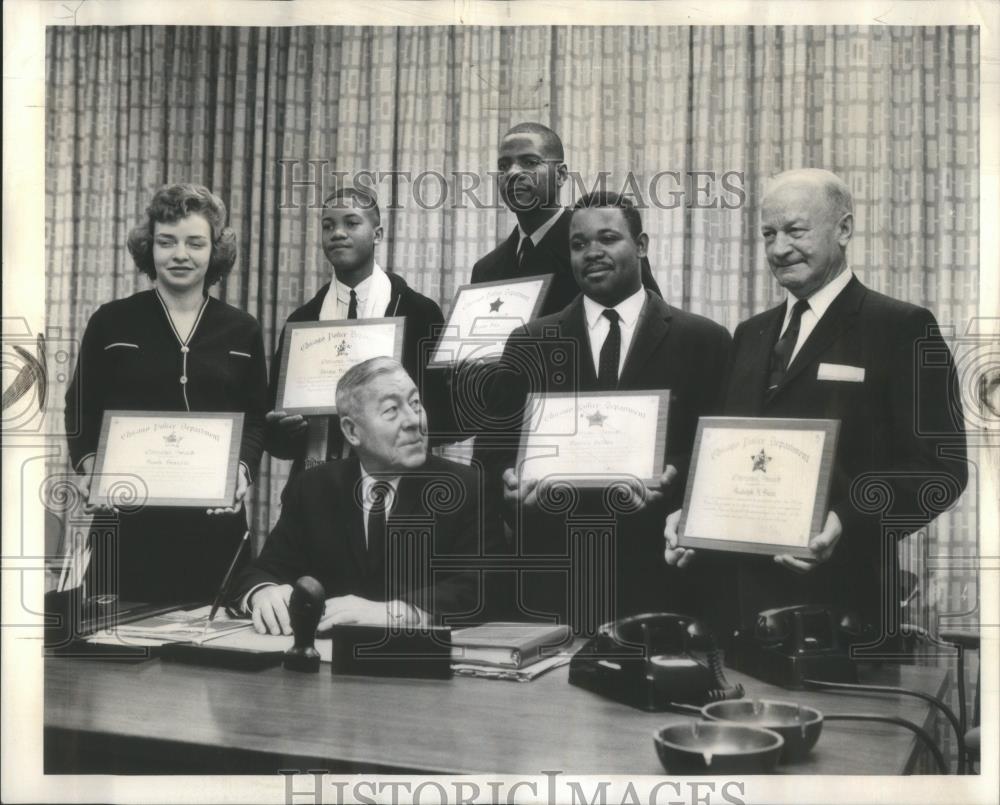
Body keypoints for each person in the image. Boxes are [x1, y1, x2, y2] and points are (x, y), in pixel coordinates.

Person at [664, 168, 968, 643]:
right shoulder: (749, 335)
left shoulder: (901, 327)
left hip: (844, 608)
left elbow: (940, 470)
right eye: (768, 234)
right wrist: (689, 513)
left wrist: (846, 522)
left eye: (795, 231)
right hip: (734, 610)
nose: (779, 248)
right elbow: (728, 456)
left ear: (843, 229)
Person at [474, 192, 732, 634]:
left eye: (608, 238)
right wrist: (509, 486)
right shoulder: (529, 342)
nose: (592, 253)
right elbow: (491, 457)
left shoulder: (704, 340)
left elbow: (723, 457)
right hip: (553, 578)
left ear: (643, 245)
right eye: (578, 244)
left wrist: (674, 474)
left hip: (661, 577)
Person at [64, 183, 268, 603]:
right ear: (148, 247)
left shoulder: (242, 328)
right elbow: (79, 407)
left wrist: (240, 474)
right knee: (114, 656)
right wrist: (90, 471)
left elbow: (257, 416)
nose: (180, 254)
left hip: (215, 524)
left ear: (215, 251)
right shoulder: (111, 321)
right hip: (127, 521)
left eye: (195, 243)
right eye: (166, 242)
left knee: (212, 658)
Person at [234, 357, 499, 634]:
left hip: (420, 666)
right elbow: (263, 570)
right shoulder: (313, 488)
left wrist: (397, 613)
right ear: (351, 431)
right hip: (326, 666)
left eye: (416, 403)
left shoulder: (468, 487)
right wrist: (262, 593)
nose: (413, 420)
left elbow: (485, 587)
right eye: (391, 410)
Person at [265, 186, 450, 473]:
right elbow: (277, 440)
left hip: (399, 487)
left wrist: (391, 423)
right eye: (328, 226)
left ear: (377, 234)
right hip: (319, 483)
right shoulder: (302, 323)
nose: (337, 233)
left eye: (351, 223)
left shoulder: (419, 313)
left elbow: (445, 414)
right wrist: (285, 432)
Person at [471, 122, 662, 316]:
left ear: (561, 175)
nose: (512, 173)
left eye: (529, 162)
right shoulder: (485, 270)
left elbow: (653, 327)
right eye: (503, 166)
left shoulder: (607, 247)